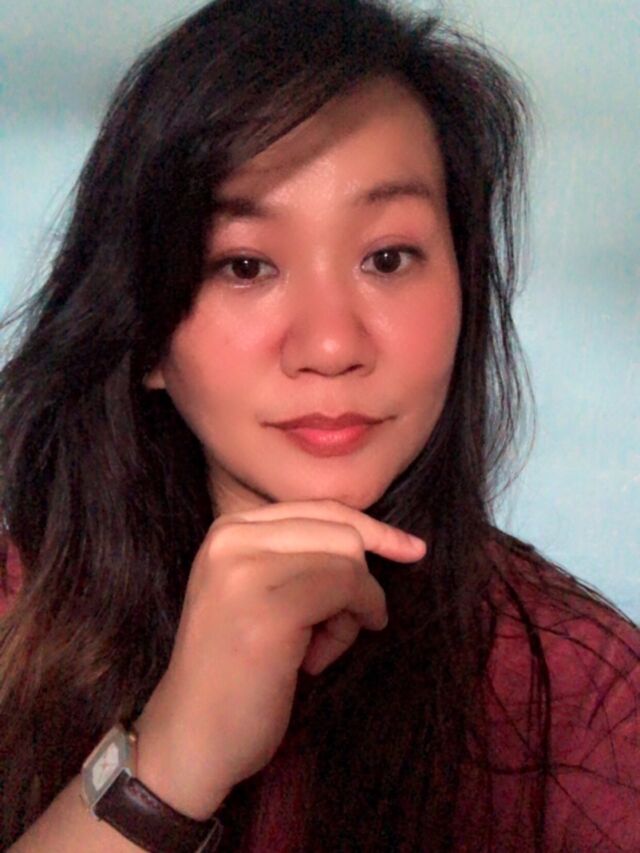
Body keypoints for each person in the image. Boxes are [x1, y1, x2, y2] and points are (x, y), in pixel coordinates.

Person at [0, 0, 638, 850]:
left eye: (388, 258)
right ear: (143, 328)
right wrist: (168, 763)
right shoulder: (15, 611)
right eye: (245, 265)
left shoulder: (586, 695)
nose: (332, 345)